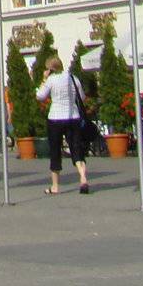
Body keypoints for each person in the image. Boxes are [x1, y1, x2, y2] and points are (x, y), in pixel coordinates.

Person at [36, 54, 90, 195]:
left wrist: (43, 79)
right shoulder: (73, 78)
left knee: (55, 150)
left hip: (55, 118)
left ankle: (55, 186)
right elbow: (82, 97)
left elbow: (40, 96)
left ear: (50, 69)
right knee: (76, 148)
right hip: (73, 117)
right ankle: (83, 178)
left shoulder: (51, 80)